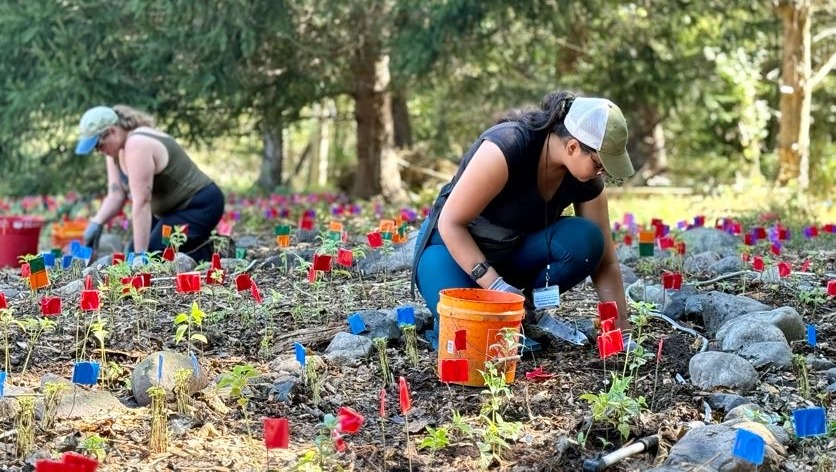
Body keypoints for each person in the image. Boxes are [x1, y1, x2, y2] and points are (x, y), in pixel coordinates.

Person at [412, 91, 635, 345]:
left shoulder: (585, 179)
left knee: (587, 239)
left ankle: (523, 312)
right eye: (599, 164)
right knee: (476, 341)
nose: (602, 173)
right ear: (573, 146)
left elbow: (605, 261)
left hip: (512, 253)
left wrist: (623, 333)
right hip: (450, 252)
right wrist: (495, 285)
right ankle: (496, 311)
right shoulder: (507, 145)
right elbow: (451, 223)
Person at [75, 105, 225, 263]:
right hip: (170, 213)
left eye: (98, 145)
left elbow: (142, 201)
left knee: (154, 254)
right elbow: (116, 195)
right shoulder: (114, 151)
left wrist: (141, 257)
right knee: (132, 252)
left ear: (112, 131)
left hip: (199, 205)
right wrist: (96, 223)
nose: (98, 151)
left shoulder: (137, 144)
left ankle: (213, 252)